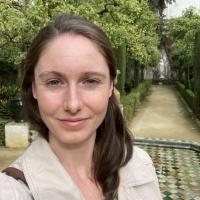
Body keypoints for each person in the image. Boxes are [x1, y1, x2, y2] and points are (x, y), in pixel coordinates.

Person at [0, 13, 162, 200]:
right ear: (34, 88)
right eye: (54, 82)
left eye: (91, 81)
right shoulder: (10, 192)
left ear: (111, 86)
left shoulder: (139, 164)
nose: (73, 104)